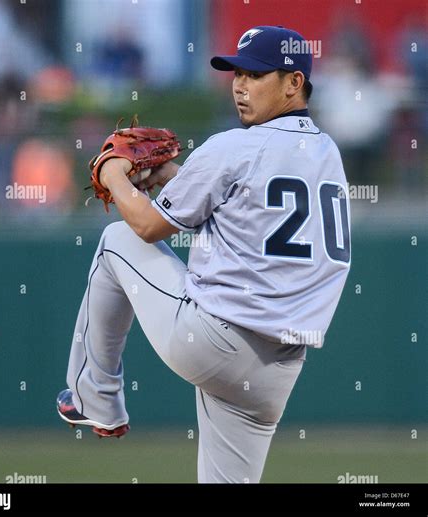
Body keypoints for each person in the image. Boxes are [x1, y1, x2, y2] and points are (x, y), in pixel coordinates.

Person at [57, 25, 351, 483]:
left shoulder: (233, 145)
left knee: (117, 241)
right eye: (236, 73)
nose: (239, 85)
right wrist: (179, 176)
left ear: (294, 82)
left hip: (213, 339)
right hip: (277, 372)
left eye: (255, 75)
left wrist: (115, 174)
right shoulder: (327, 154)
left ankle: (95, 398)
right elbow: (253, 209)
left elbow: (149, 227)